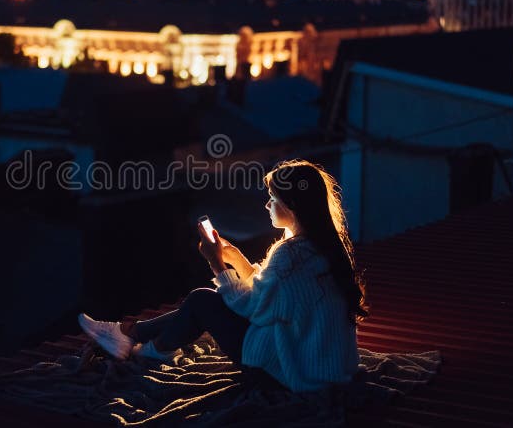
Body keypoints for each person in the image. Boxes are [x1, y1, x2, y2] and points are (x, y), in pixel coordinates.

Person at [78, 159, 368, 392]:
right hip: (324, 367)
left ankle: (143, 350)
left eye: (272, 198)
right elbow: (273, 296)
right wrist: (236, 260)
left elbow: (253, 308)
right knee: (207, 300)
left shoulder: (291, 254)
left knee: (203, 301)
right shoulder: (324, 247)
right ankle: (132, 337)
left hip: (286, 372)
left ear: (290, 205)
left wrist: (216, 263)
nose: (267, 205)